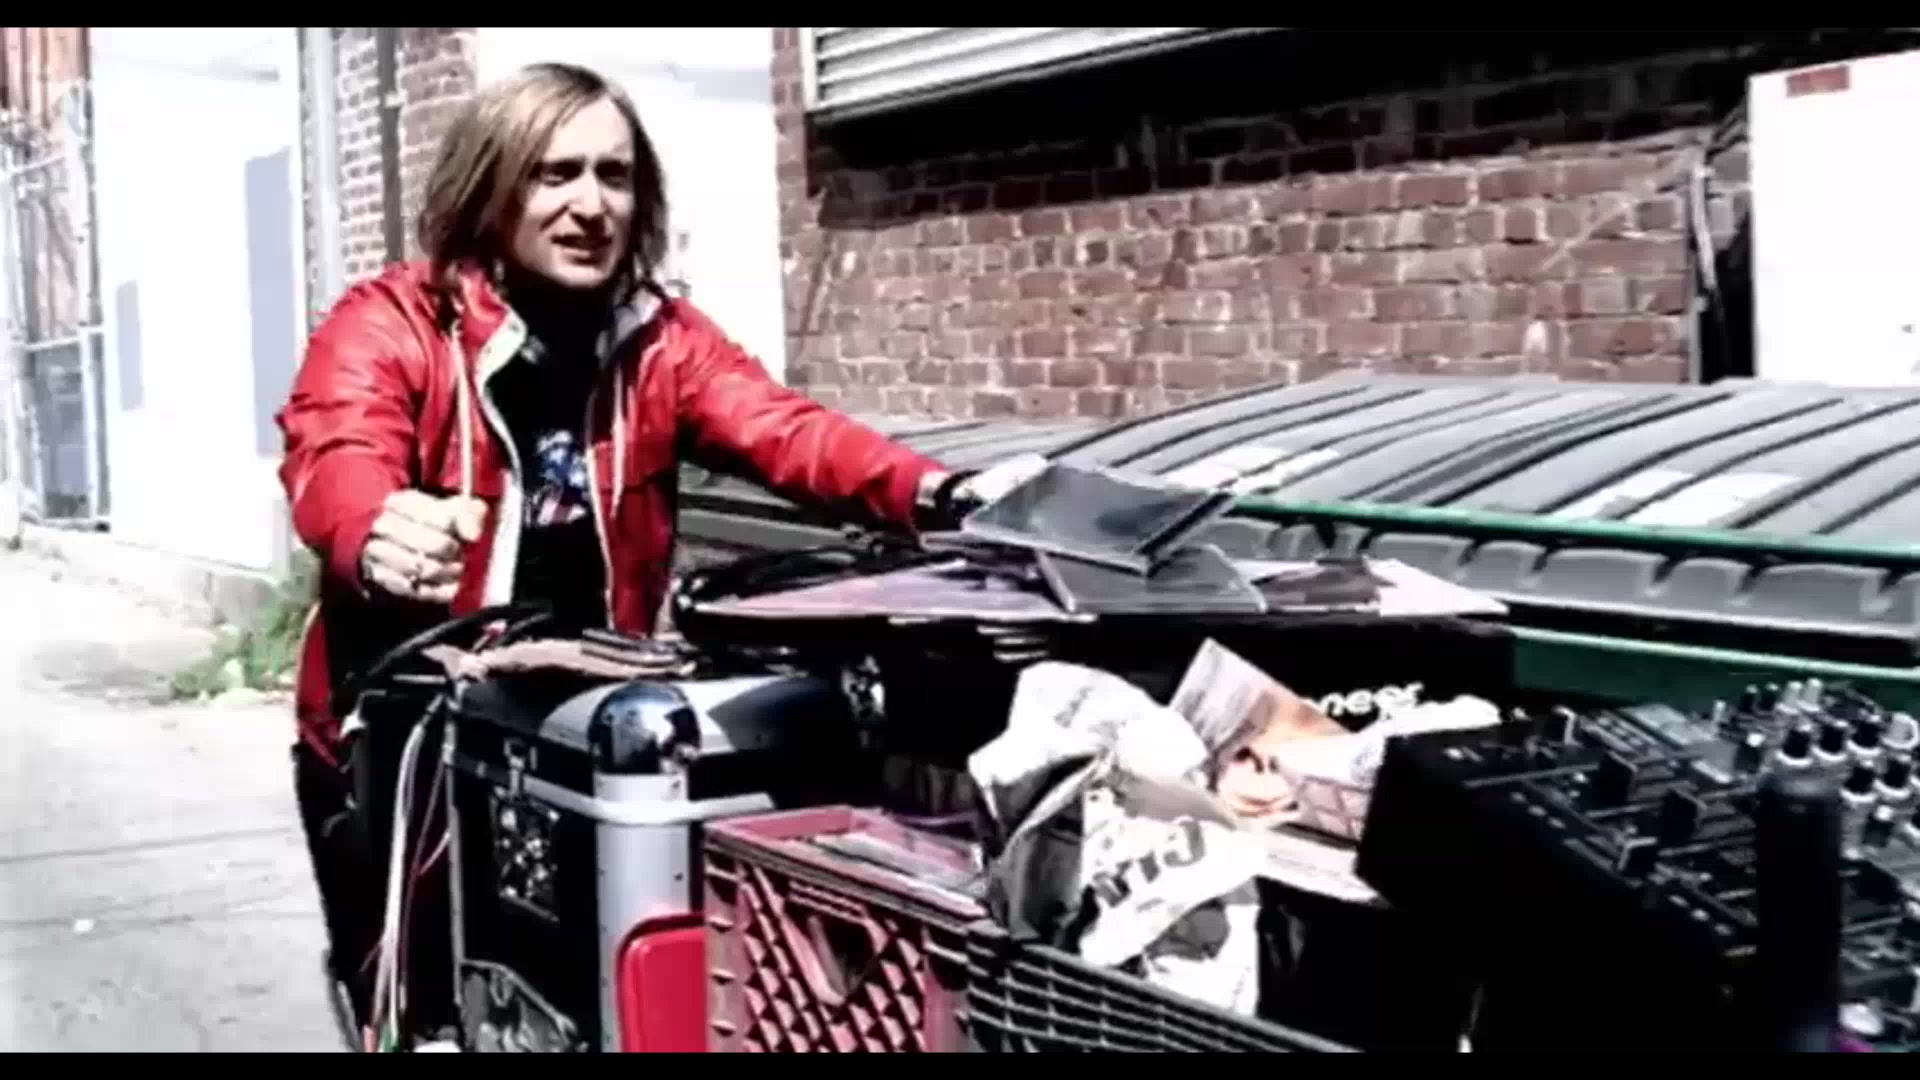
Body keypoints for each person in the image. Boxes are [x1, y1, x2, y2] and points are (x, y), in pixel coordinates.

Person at [274, 61, 1010, 1046]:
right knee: (416, 1016)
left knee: (585, 1003)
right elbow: (337, 445)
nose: (591, 206)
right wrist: (376, 529)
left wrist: (939, 494)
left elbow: (786, 430)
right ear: (490, 186)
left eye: (614, 176)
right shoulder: (398, 322)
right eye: (556, 173)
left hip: (571, 733)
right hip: (401, 738)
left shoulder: (657, 339)